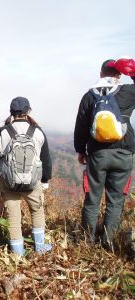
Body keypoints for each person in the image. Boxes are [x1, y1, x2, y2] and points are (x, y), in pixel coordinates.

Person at [74, 59, 135, 251]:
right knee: (116, 200)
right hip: (123, 152)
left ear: (101, 73)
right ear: (119, 75)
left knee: (92, 198)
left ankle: (87, 241)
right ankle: (108, 243)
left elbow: (81, 126)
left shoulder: (89, 96)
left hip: (97, 153)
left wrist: (80, 149)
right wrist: (132, 72)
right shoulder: (127, 92)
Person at [0, 97, 52, 256]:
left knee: (13, 217)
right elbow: (45, 158)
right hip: (32, 181)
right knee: (37, 210)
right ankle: (40, 247)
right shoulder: (37, 131)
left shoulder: (3, 132)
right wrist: (46, 179)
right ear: (28, 111)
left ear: (11, 112)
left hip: (9, 182)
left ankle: (18, 253)